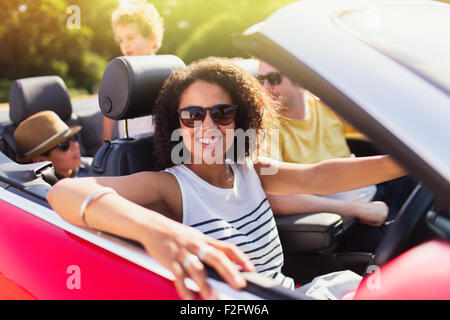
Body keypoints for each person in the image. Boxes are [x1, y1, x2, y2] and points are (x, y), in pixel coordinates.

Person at [47, 57, 407, 299]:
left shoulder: (250, 171)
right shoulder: (170, 187)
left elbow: (318, 176)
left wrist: (409, 160)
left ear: (240, 119)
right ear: (177, 124)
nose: (207, 126)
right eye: (192, 116)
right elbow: (66, 191)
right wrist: (154, 230)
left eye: (221, 113)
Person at [257, 59, 416, 252]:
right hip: (346, 221)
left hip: (376, 193)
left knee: (429, 183)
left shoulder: (325, 105)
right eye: (261, 80)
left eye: (273, 79)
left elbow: (376, 127)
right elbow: (275, 198)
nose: (265, 87)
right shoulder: (267, 127)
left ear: (298, 78)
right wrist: (358, 210)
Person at [102, 1, 164, 141]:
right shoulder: (121, 76)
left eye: (130, 38)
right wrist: (105, 142)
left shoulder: (166, 72)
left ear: (152, 38)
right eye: (120, 40)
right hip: (129, 150)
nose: (125, 45)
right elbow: (108, 112)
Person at [14, 110, 90, 179]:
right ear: (40, 161)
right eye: (64, 145)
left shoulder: (91, 165)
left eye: (73, 138)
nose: (76, 145)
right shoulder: (48, 190)